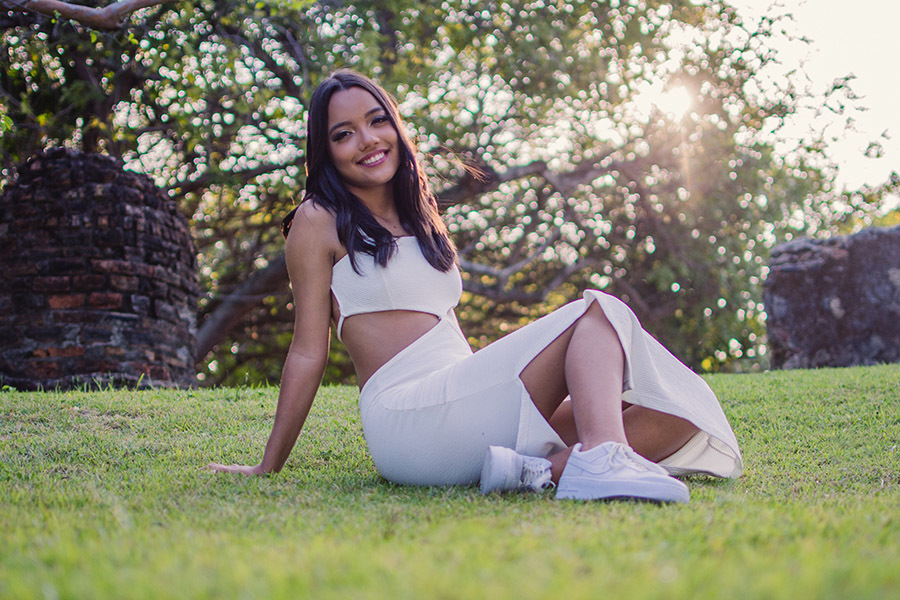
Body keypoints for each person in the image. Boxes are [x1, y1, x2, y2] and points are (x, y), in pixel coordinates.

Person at [207, 70, 743, 503]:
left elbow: (445, 330)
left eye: (377, 121)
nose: (367, 140)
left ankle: (538, 473)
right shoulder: (318, 219)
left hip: (463, 400)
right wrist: (267, 465)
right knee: (596, 311)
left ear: (396, 127)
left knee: (682, 410)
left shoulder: (419, 213)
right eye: (343, 134)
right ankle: (602, 459)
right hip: (409, 421)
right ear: (326, 151)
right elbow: (308, 351)